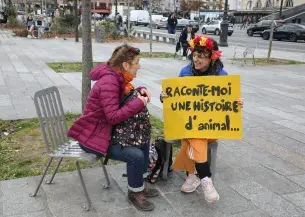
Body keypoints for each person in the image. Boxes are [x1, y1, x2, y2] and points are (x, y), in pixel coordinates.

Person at [67, 44, 159, 211]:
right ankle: (135, 192)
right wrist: (139, 103)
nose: (139, 66)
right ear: (125, 65)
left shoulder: (117, 77)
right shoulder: (110, 81)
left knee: (144, 141)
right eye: (137, 62)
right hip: (93, 137)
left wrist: (139, 90)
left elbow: (123, 97)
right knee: (136, 155)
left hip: (106, 131)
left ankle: (139, 184)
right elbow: (113, 116)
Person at [161, 36, 243, 203]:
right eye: (195, 55)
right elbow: (176, 100)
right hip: (189, 124)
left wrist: (237, 102)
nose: (196, 59)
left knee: (194, 136)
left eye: (202, 56)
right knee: (193, 134)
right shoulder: (185, 72)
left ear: (211, 57)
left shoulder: (221, 75)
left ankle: (193, 175)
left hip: (211, 126)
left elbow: (228, 101)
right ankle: (204, 178)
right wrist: (165, 97)